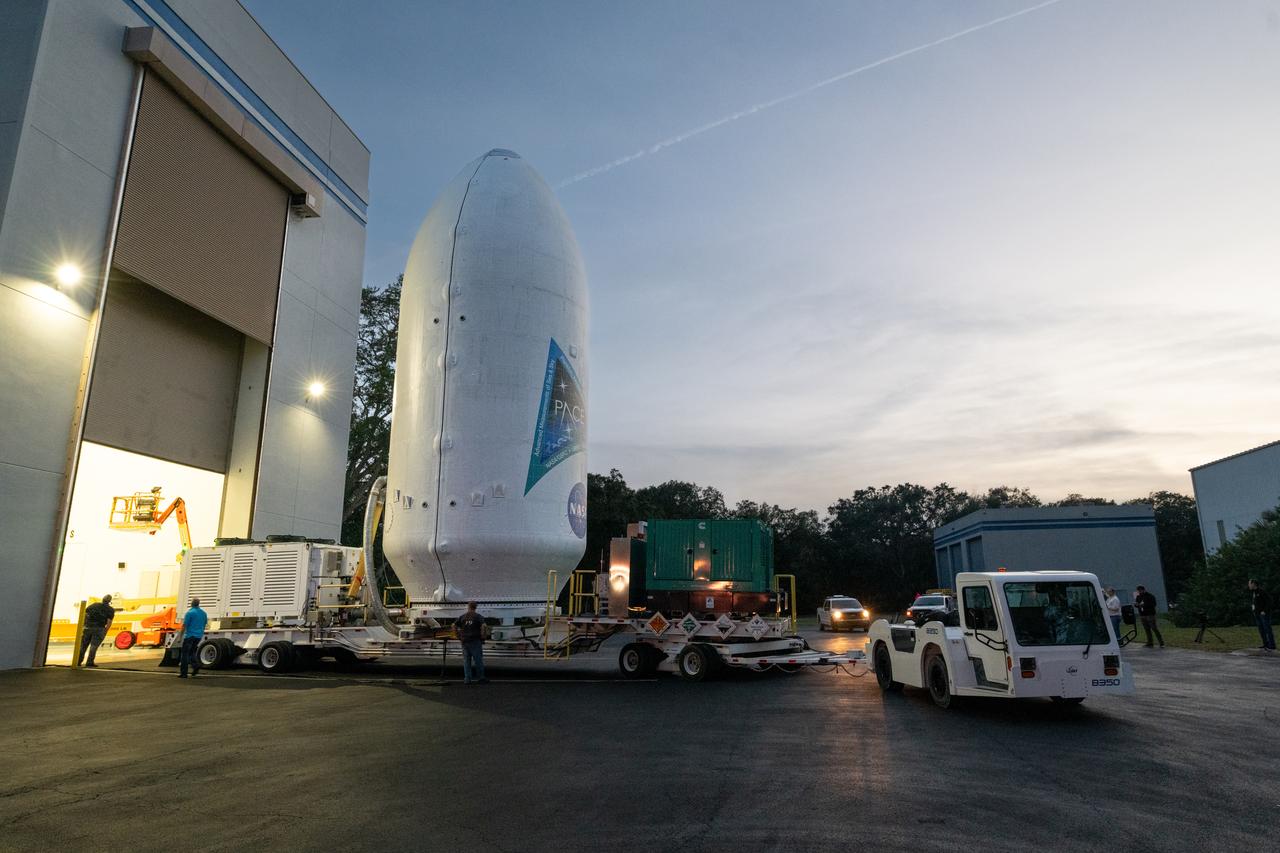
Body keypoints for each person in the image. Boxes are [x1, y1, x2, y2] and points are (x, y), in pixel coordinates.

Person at [455, 601, 488, 684]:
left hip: (465, 641)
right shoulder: (478, 616)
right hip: (475, 641)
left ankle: (467, 679)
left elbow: (453, 625)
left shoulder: (463, 616)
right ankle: (481, 678)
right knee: (478, 660)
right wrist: (483, 636)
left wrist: (458, 636)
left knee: (466, 661)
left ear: (468, 607)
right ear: (475, 607)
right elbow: (484, 626)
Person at [78, 594, 115, 667]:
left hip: (88, 627)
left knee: (83, 646)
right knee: (94, 646)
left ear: (102, 599)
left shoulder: (94, 605)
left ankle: (78, 661)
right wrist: (105, 631)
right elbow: (109, 621)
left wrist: (83, 625)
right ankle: (89, 662)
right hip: (99, 628)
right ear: (110, 601)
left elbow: (85, 614)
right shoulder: (110, 609)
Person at [179, 597, 208, 678]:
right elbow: (205, 624)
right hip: (198, 636)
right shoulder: (203, 613)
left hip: (189, 636)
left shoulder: (190, 613)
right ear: (198, 604)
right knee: (192, 652)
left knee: (185, 654)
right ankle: (195, 665)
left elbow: (184, 625)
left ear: (192, 603)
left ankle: (184, 673)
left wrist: (180, 637)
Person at [1249, 579, 1275, 651]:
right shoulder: (1254, 592)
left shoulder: (1261, 591)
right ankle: (1265, 644)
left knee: (1267, 629)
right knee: (1261, 630)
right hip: (1257, 614)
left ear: (1253, 584)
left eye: (1249, 584)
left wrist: (1264, 611)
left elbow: (1269, 601)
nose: (1249, 585)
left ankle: (1272, 645)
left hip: (1263, 614)